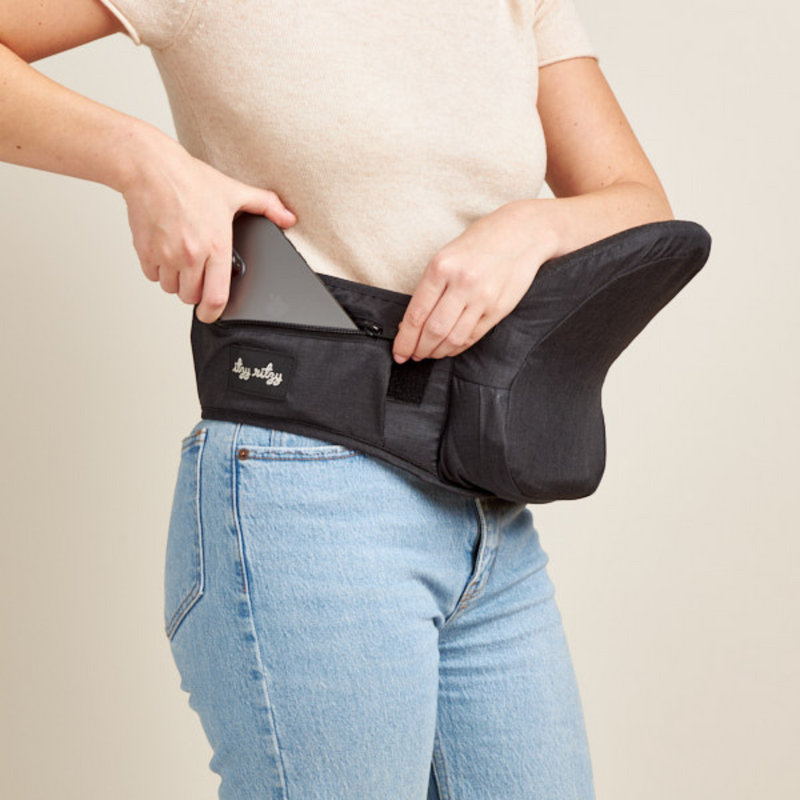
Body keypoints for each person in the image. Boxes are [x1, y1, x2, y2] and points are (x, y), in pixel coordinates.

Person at [0, 2, 674, 798]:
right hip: (307, 489)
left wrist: (534, 227)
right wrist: (144, 160)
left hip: (488, 508)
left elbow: (638, 203)